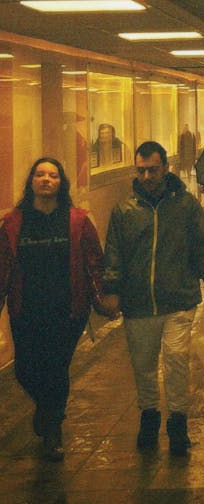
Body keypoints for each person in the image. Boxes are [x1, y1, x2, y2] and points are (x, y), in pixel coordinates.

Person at [102, 140, 204, 455]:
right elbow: (114, 252)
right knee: (143, 365)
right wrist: (111, 290)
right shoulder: (125, 210)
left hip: (178, 299)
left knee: (177, 360)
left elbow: (203, 247)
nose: (146, 175)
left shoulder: (185, 206)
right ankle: (149, 415)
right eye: (140, 170)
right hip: (138, 303)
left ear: (166, 168)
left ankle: (178, 421)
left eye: (152, 169)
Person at [0, 157, 117, 461]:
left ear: (61, 182)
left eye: (52, 175)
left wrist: (101, 299)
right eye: (40, 174)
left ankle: (53, 430)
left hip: (68, 309)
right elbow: (4, 268)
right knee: (25, 368)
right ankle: (46, 409)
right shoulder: (14, 223)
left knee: (55, 368)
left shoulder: (77, 220)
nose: (46, 180)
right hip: (26, 309)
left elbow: (94, 263)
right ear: (31, 182)